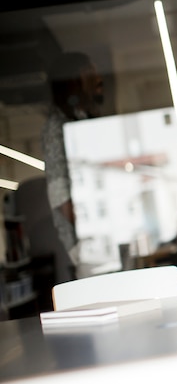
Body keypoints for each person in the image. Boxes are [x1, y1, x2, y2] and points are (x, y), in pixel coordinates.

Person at [42, 51, 104, 274]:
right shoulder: (56, 128)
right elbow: (60, 195)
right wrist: (93, 227)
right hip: (86, 247)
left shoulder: (80, 119)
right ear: (73, 80)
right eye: (90, 73)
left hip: (99, 240)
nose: (97, 79)